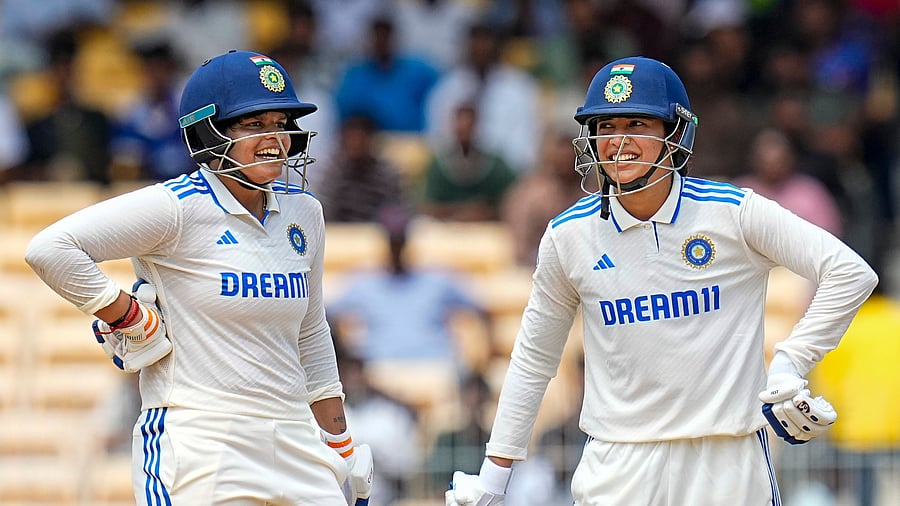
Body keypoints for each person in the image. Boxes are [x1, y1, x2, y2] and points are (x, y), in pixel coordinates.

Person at [444, 56, 879, 506]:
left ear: (675, 133)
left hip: (725, 460)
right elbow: (534, 359)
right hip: (619, 463)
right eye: (606, 125)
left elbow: (849, 272)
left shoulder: (731, 213)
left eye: (637, 123)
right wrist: (493, 480)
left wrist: (791, 362)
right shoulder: (567, 235)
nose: (619, 141)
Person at [25, 50, 373, 505]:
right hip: (202, 438)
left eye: (280, 122)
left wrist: (338, 440)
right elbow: (50, 249)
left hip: (294, 436)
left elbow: (311, 332)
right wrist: (126, 315)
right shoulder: (177, 207)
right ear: (211, 132)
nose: (276, 139)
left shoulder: (305, 212)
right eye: (254, 124)